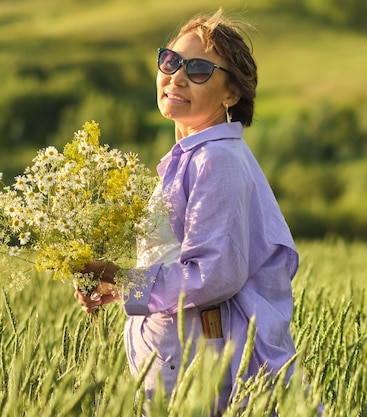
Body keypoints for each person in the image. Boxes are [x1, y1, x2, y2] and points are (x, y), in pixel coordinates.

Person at [74, 9, 300, 414]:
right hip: (180, 367)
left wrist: (125, 279)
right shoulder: (192, 158)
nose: (177, 76)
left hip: (205, 370)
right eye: (171, 61)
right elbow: (177, 262)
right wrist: (116, 287)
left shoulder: (218, 160)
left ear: (232, 94)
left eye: (198, 69)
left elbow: (213, 275)